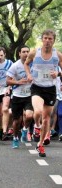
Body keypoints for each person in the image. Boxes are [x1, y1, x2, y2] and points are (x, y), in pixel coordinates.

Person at [24, 29, 62, 157]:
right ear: (42, 39)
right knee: (38, 111)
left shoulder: (58, 55)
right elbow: (26, 64)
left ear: (53, 40)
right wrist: (29, 74)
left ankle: (40, 144)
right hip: (37, 87)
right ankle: (36, 126)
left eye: (50, 39)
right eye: (45, 38)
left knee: (47, 119)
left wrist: (58, 73)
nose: (47, 41)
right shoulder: (35, 52)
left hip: (50, 88)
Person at [6, 45, 33, 149]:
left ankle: (25, 130)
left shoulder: (33, 64)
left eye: (27, 51)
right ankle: (15, 137)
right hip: (17, 95)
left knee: (29, 115)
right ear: (19, 54)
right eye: (24, 52)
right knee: (17, 121)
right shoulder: (15, 66)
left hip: (29, 95)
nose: (26, 54)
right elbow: (7, 81)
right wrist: (18, 82)